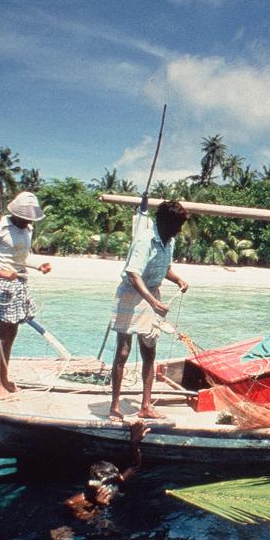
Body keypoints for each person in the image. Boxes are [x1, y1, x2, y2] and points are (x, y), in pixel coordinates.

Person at [109, 201, 190, 421]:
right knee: (123, 352)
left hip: (152, 292)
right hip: (131, 293)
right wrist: (153, 302)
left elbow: (165, 268)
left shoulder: (169, 241)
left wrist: (178, 279)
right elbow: (134, 274)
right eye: (177, 225)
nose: (179, 230)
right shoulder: (144, 239)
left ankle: (146, 405)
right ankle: (114, 406)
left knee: (149, 351)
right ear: (165, 222)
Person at [0, 191, 52, 397]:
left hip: (21, 283)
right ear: (16, 214)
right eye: (25, 218)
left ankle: (4, 378)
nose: (27, 222)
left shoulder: (27, 230)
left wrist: (39, 265)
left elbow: (23, 257)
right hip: (4, 285)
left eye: (31, 219)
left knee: (11, 334)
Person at [64, 420, 150, 521]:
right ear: (93, 485)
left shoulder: (116, 483)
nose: (111, 488)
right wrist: (100, 506)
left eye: (114, 482)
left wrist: (134, 443)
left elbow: (134, 466)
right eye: (108, 484)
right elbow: (85, 521)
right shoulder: (74, 503)